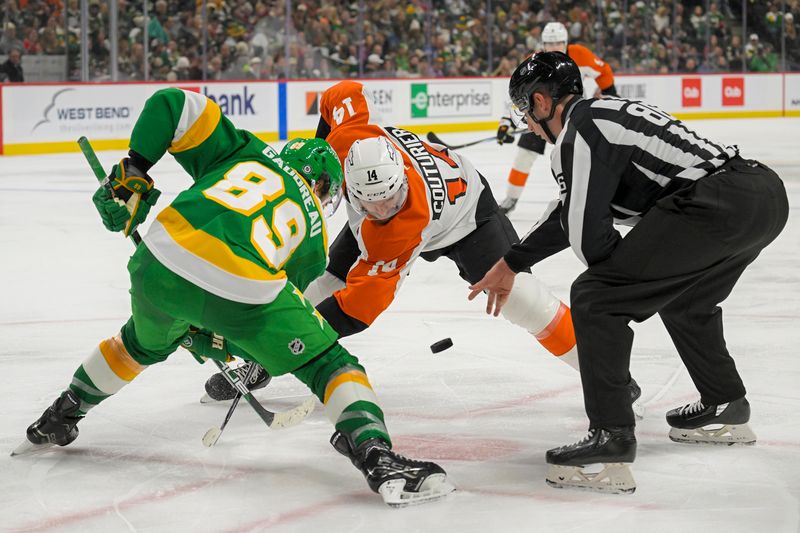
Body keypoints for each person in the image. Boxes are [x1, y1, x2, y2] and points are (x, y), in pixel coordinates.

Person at [14, 87, 454, 507]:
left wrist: (135, 168)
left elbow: (172, 105)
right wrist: (216, 336)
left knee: (136, 345)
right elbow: (265, 310)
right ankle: (376, 456)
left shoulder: (245, 151)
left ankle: (62, 414)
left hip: (156, 261)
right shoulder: (315, 235)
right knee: (330, 364)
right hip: (237, 284)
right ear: (324, 187)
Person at [203, 80, 641, 412]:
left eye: (392, 199)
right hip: (403, 205)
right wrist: (321, 142)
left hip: (467, 214)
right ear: (350, 185)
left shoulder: (397, 227)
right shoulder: (347, 143)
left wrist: (288, 343)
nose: (384, 209)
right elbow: (343, 92)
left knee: (521, 298)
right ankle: (259, 364)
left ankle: (607, 375)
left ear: (397, 180)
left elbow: (357, 310)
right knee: (324, 277)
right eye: (371, 204)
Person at [469, 52, 789, 494]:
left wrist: (619, 290)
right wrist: (512, 263)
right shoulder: (598, 115)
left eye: (525, 111)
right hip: (761, 196)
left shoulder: (579, 130)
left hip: (714, 203)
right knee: (686, 301)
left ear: (541, 102)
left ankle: (611, 438)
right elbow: (570, 215)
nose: (525, 124)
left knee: (594, 297)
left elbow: (586, 239)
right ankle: (726, 403)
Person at [496, 22, 617, 215]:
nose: (555, 47)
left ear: (566, 42)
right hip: (539, 117)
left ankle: (589, 198)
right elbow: (517, 93)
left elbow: (604, 71)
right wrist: (506, 122)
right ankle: (511, 199)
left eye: (559, 42)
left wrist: (611, 96)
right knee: (524, 156)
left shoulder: (580, 54)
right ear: (543, 43)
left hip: (572, 116)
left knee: (581, 159)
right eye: (550, 43)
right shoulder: (534, 62)